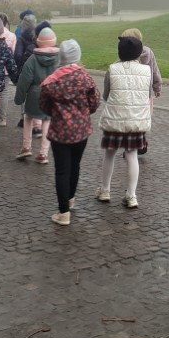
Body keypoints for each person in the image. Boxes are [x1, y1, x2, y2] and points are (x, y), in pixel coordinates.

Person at [39, 39, 100, 226]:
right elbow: (95, 103)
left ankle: (63, 211)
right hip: (81, 131)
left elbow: (44, 106)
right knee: (75, 166)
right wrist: (82, 113)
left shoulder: (51, 82)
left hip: (60, 132)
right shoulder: (86, 78)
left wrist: (58, 114)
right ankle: (70, 199)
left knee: (62, 171)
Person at [95, 35, 151, 209]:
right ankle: (131, 195)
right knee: (132, 155)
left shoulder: (112, 70)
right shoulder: (147, 71)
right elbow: (147, 95)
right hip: (136, 120)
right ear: (139, 53)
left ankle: (105, 190)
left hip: (115, 118)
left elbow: (106, 95)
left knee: (110, 154)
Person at [14, 27, 59, 164]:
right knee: (47, 120)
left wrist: (19, 98)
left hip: (35, 94)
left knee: (28, 117)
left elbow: (24, 80)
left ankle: (26, 146)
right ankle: (43, 153)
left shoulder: (32, 59)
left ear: (38, 42)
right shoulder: (59, 59)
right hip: (51, 94)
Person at [119, 27, 162, 156]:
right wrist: (157, 87)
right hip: (145, 94)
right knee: (142, 118)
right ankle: (141, 141)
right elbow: (155, 71)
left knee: (129, 119)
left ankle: (131, 145)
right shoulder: (149, 53)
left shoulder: (125, 55)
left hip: (130, 94)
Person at [14, 13, 39, 130]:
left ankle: (23, 117)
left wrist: (19, 67)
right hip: (38, 68)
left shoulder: (22, 38)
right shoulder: (38, 36)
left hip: (24, 68)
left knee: (24, 92)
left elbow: (18, 55)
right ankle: (37, 120)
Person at [0, 12, 17, 127]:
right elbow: (13, 54)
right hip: (5, 69)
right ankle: (2, 119)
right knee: (4, 93)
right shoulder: (12, 36)